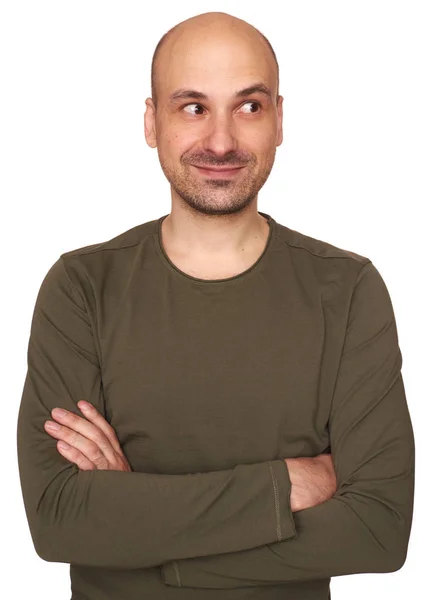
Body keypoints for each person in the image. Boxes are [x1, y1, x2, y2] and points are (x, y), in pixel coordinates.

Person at [16, 10, 415, 600]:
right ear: (152, 122)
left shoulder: (348, 291)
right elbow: (58, 518)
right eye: (193, 107)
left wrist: (148, 543)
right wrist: (286, 484)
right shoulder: (80, 288)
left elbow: (378, 531)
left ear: (280, 119)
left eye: (249, 106)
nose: (222, 141)